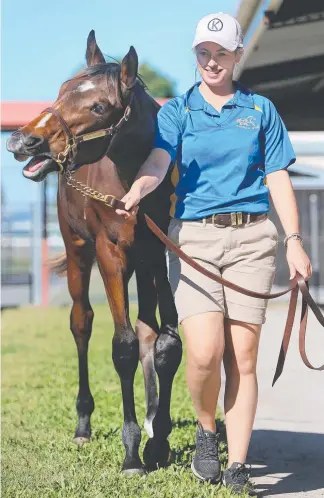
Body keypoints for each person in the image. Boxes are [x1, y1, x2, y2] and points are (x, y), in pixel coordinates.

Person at [116, 12, 312, 496]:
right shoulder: (178, 111)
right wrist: (138, 189)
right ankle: (207, 431)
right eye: (204, 52)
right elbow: (159, 162)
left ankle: (238, 463)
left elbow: (278, 178)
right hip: (197, 241)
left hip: (252, 239)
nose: (211, 61)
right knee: (204, 352)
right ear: (196, 55)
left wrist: (294, 241)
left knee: (243, 356)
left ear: (237, 56)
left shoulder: (261, 111)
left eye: (221, 54)